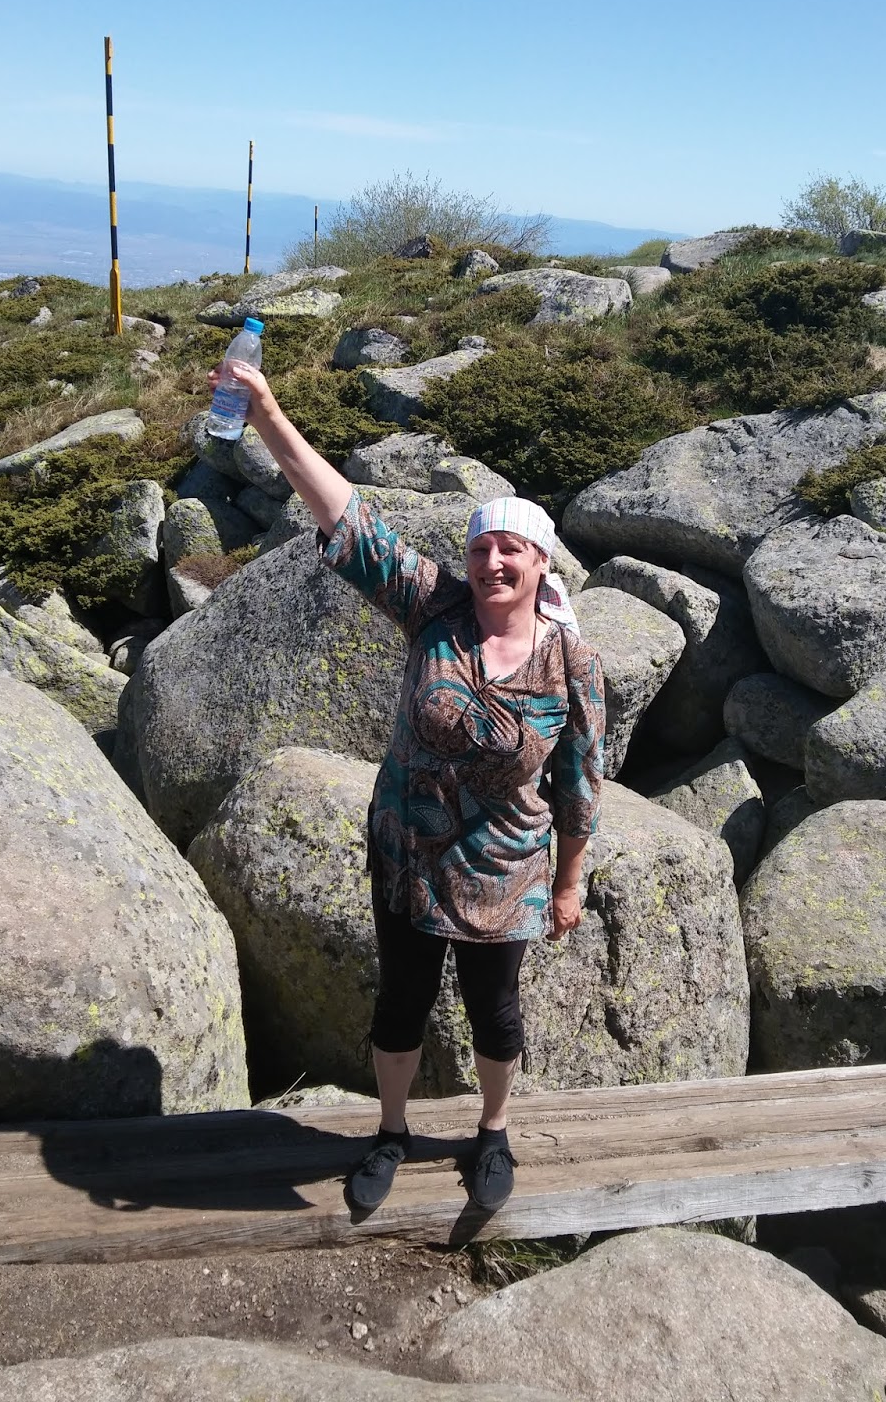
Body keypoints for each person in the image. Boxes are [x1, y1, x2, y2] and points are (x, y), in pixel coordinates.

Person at [208, 357, 605, 1213]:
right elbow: (346, 517)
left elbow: (580, 781)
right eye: (481, 548)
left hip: (505, 867)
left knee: (495, 1012)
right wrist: (266, 411)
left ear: (541, 563)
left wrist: (570, 880)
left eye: (510, 549)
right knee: (401, 1002)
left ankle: (492, 1132)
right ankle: (389, 1132)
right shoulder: (434, 608)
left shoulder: (572, 662)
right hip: (408, 855)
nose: (492, 562)